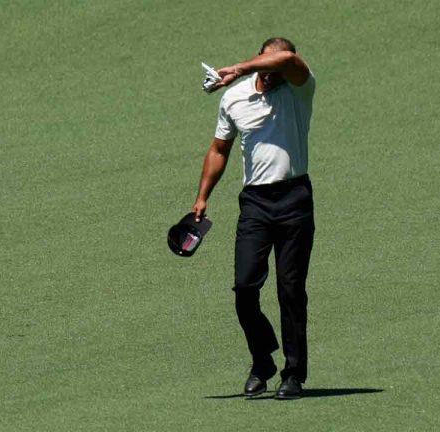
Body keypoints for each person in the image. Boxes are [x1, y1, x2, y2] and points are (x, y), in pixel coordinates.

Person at [192, 37, 316, 400]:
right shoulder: (234, 98)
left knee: (290, 290)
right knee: (245, 288)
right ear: (261, 60)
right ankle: (262, 360)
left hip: (295, 197)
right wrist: (202, 197)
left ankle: (293, 373)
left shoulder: (300, 88)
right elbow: (219, 149)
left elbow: (291, 59)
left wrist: (240, 67)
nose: (275, 70)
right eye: (268, 63)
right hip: (256, 204)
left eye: (278, 65)